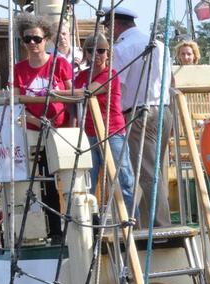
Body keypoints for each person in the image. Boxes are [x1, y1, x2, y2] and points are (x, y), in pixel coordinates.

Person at [109, 7, 173, 230]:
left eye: (109, 27)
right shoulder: (160, 45)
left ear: (116, 25)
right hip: (164, 112)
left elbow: (115, 86)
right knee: (155, 173)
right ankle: (153, 224)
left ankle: (159, 228)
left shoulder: (121, 48)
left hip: (139, 115)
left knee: (146, 175)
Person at [13, 13, 73, 241]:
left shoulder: (61, 64)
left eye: (36, 39)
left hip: (61, 132)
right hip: (33, 132)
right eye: (27, 39)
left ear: (46, 39)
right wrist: (37, 122)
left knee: (68, 180)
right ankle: (54, 232)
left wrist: (70, 126)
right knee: (44, 183)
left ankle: (75, 227)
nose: (32, 44)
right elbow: (17, 104)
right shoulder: (18, 70)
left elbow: (73, 97)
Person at [72, 32, 135, 215]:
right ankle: (88, 224)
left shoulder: (111, 75)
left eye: (101, 50)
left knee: (124, 179)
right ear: (86, 54)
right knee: (88, 183)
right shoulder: (81, 76)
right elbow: (74, 101)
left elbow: (87, 92)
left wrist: (55, 92)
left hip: (112, 133)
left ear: (108, 53)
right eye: (91, 51)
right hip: (89, 135)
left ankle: (132, 221)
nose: (97, 55)